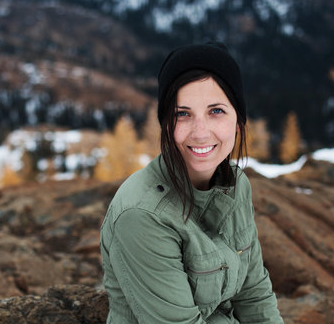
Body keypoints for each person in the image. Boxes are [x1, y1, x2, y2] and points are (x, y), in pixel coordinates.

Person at [99, 42, 283, 323]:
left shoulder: (236, 184)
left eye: (216, 111)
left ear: (238, 121)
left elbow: (254, 295)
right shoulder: (143, 216)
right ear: (165, 125)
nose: (200, 132)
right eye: (182, 114)